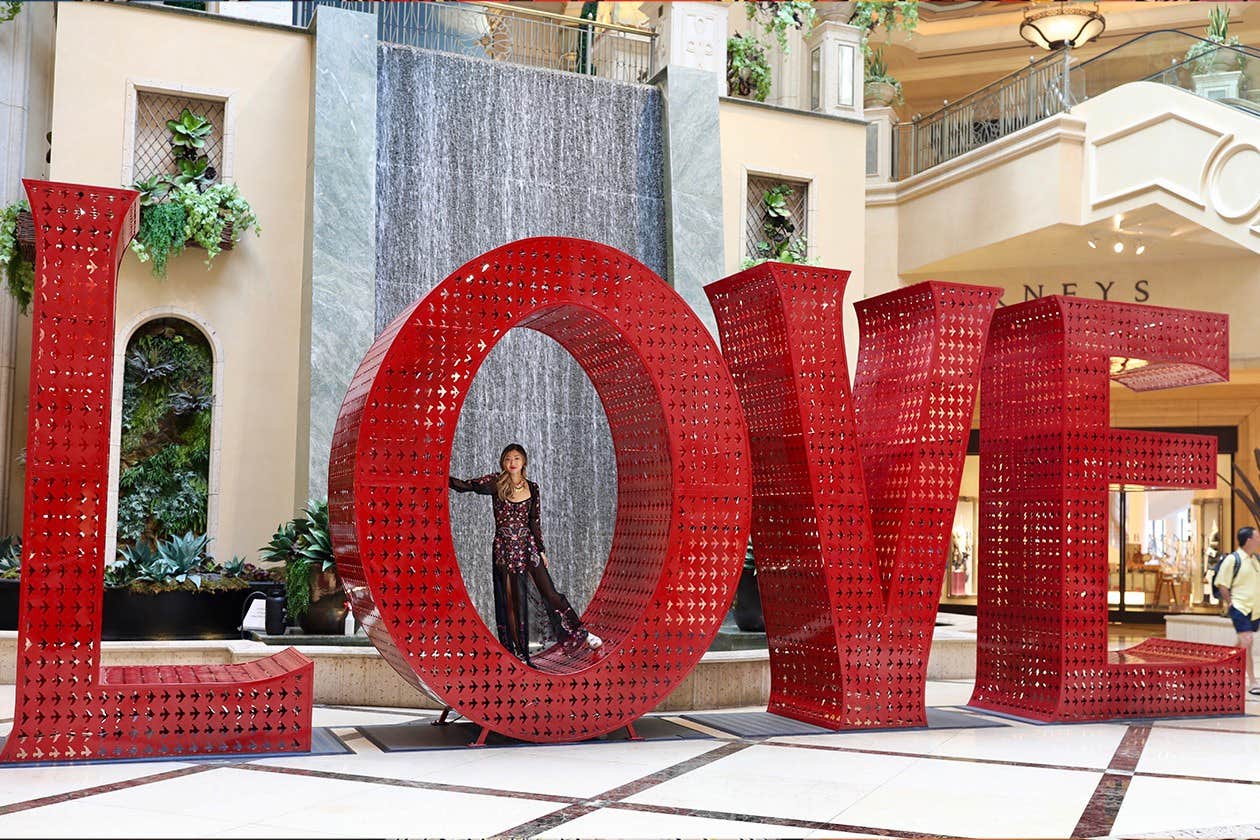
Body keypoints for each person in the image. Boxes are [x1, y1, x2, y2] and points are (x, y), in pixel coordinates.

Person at [449, 443, 602, 664]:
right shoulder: (495, 483)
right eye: (508, 458)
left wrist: (541, 550)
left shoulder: (533, 487)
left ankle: (583, 634)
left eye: (517, 458)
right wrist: (439, 478)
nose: (512, 462)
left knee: (550, 593)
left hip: (528, 548)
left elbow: (534, 521)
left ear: (524, 462)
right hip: (505, 550)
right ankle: (518, 654)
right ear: (503, 462)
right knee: (513, 603)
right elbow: (466, 486)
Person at [1215, 525, 1260, 697]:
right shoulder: (1233, 560)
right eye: (1256, 537)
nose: (1259, 540)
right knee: (1247, 641)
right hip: (1240, 607)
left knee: (1243, 643)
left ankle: (1222, 667)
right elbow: (1222, 584)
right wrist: (1230, 602)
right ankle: (1252, 682)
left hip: (1254, 609)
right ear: (1248, 540)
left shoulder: (1255, 560)